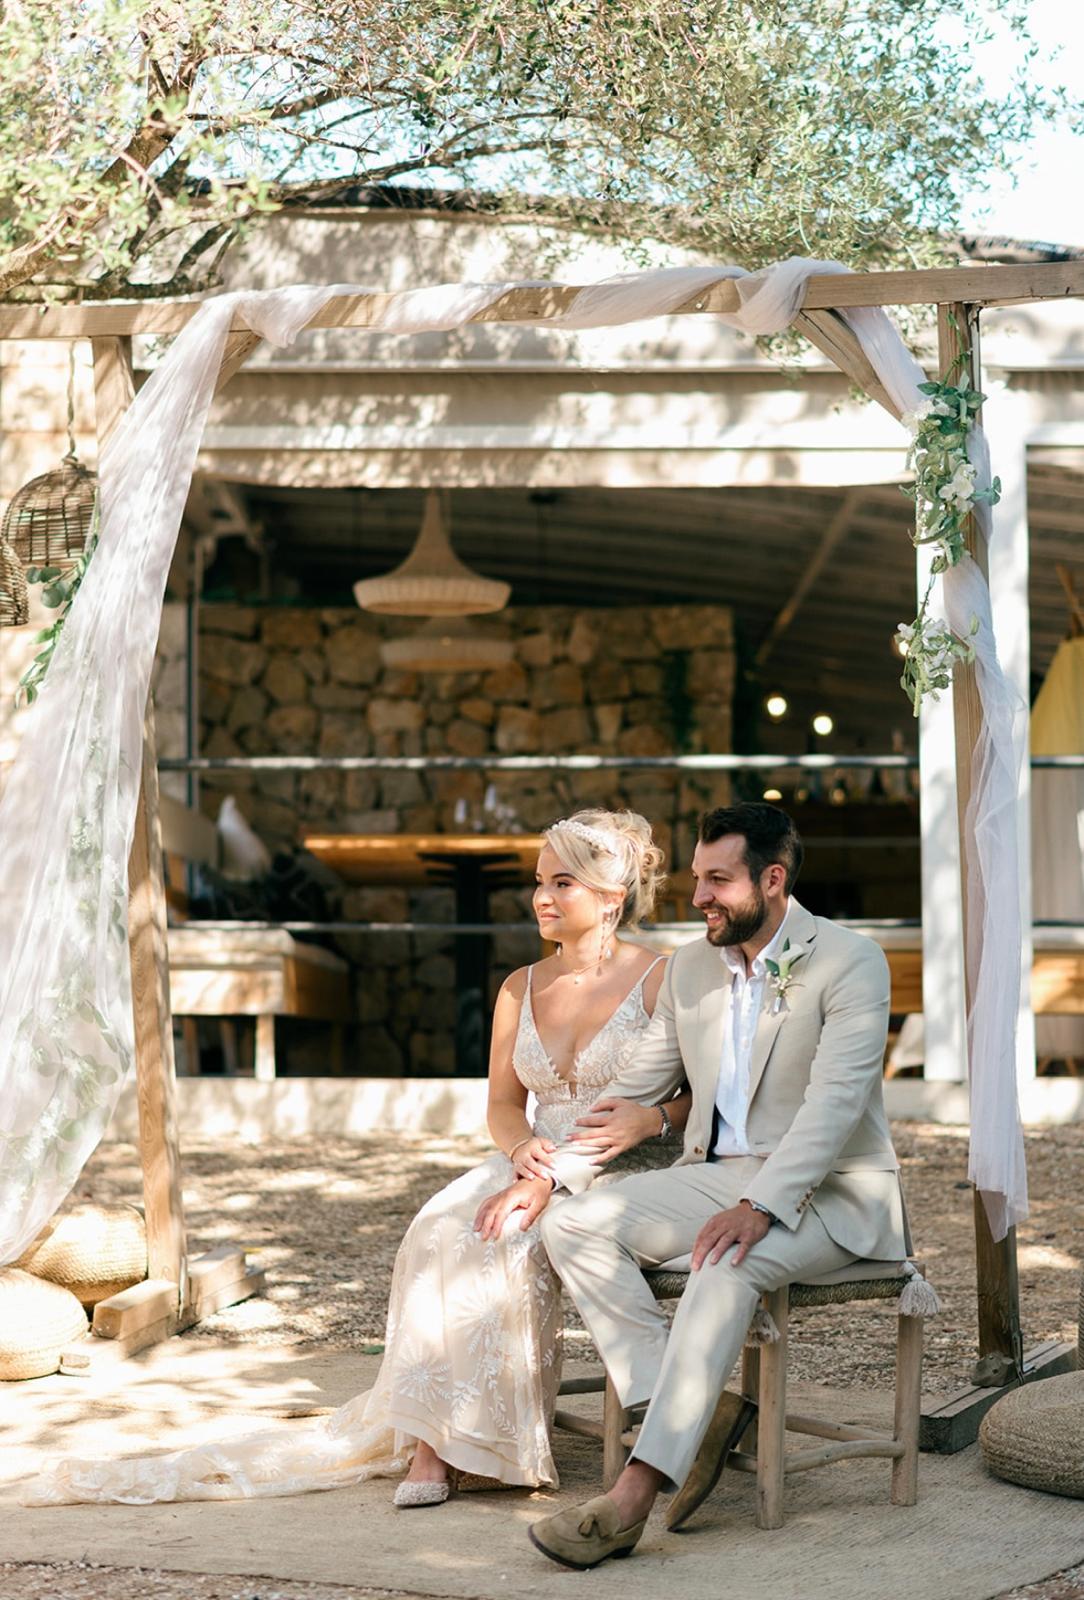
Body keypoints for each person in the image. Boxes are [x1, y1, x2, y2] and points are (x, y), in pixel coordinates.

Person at [23, 808, 688, 1508]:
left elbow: (697, 1102)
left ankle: (480, 1444)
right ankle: (434, 1442)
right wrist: (521, 1148)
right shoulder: (519, 987)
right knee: (438, 1229)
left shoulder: (661, 981)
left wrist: (642, 1124)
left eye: (564, 884)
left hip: (623, 1170)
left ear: (612, 898)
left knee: (505, 1240)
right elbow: (501, 1105)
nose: (543, 899)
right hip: (533, 1157)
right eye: (537, 882)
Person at [482, 801, 910, 1569]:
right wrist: (551, 1181)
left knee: (723, 1262)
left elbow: (836, 1108)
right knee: (575, 1224)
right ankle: (697, 1412)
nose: (699, 897)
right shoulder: (690, 966)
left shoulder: (851, 960)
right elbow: (632, 1098)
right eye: (695, 879)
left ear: (772, 880)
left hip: (832, 1193)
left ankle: (629, 1499)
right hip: (718, 1178)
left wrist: (759, 1206)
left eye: (719, 880)